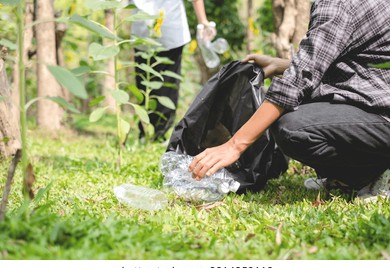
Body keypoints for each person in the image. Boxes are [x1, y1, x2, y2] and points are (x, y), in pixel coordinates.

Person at [188, 0, 390, 200]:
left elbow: (298, 82)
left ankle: (371, 173)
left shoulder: (338, 5)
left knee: (293, 128)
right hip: (378, 95)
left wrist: (234, 146)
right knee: (305, 101)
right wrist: (283, 64)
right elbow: (346, 62)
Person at [131, 0, 216, 141]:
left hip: (143, 31)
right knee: (167, 85)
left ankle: (145, 133)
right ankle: (160, 134)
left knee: (143, 84)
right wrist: (203, 21)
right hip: (170, 29)